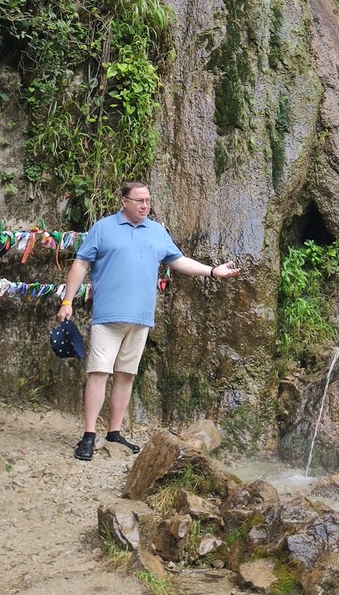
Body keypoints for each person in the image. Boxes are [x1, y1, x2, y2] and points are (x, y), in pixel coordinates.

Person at [56, 181, 239, 460]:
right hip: (108, 316)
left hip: (141, 318)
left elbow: (178, 261)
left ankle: (114, 433)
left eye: (148, 201)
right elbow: (80, 263)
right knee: (98, 373)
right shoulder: (103, 228)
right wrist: (67, 301)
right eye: (139, 200)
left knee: (126, 375)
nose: (144, 205)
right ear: (124, 201)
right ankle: (89, 435)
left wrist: (213, 271)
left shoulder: (156, 231)